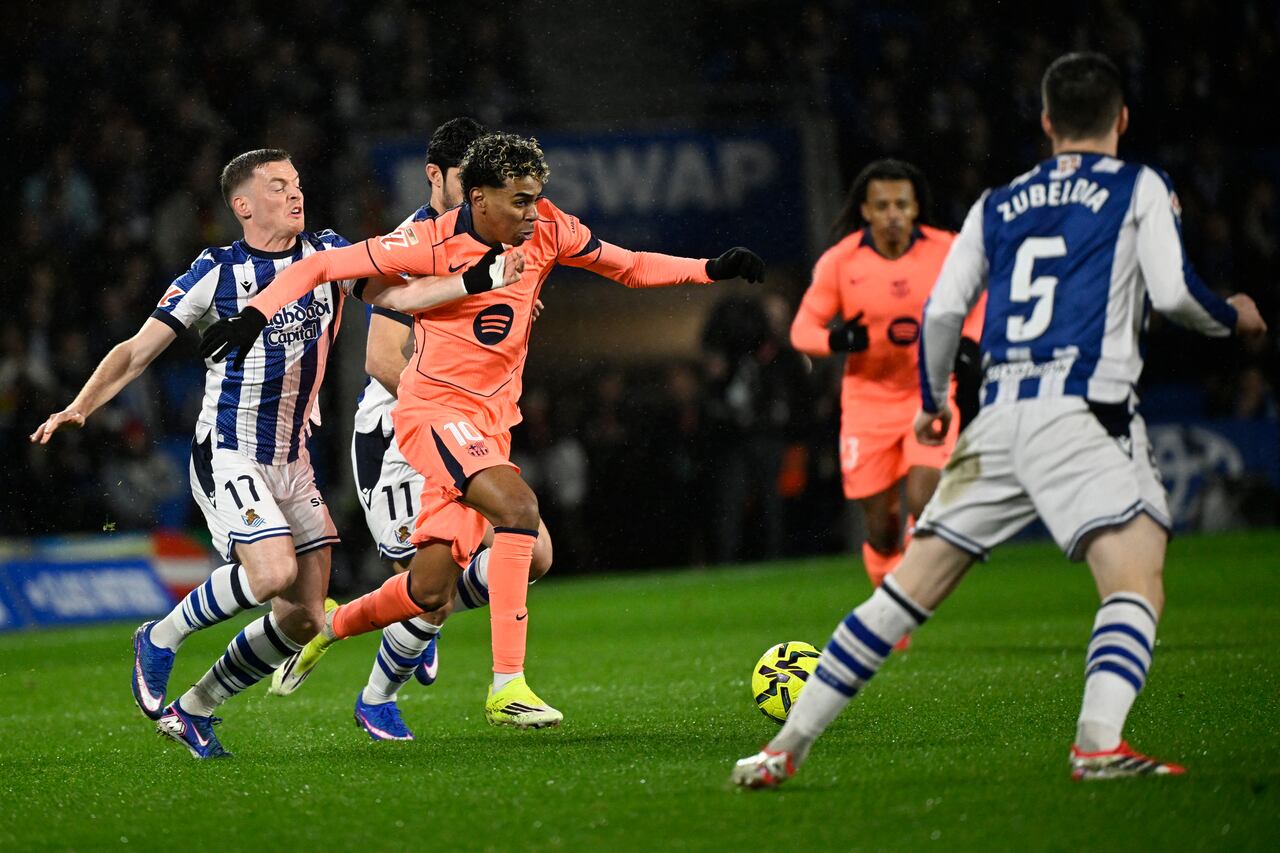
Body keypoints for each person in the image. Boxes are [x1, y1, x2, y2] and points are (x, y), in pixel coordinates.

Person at [732, 52, 1267, 787]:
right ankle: (1097, 744)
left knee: (903, 595)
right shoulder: (1138, 185)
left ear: (1046, 122)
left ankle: (781, 749)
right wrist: (1232, 315)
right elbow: (1174, 295)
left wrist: (934, 402)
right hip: (1084, 411)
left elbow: (942, 313)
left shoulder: (999, 202)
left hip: (999, 419)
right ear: (1121, 119)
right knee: (1135, 581)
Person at [202, 132, 765, 729]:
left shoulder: (548, 229)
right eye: (519, 201)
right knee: (520, 510)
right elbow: (320, 265)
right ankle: (507, 685)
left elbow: (629, 266)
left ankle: (332, 630)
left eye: (536, 198)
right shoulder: (427, 241)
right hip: (431, 412)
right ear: (479, 199)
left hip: (493, 424)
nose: (533, 213)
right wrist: (254, 315)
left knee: (428, 591)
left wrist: (709, 270)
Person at [30, 148, 520, 759]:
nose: (295, 194)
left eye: (297, 183)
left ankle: (194, 709)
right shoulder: (215, 271)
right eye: (279, 186)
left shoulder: (326, 254)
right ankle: (159, 636)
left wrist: (477, 282)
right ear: (242, 205)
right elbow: (136, 349)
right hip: (230, 450)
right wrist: (80, 405)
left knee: (304, 617)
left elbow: (399, 298)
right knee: (271, 574)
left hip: (294, 459)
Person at [270, 118, 556, 744]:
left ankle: (353, 623)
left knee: (531, 554)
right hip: (399, 438)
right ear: (437, 176)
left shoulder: (498, 240)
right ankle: (379, 699)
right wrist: (455, 417)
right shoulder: (413, 242)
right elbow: (381, 360)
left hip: (463, 429)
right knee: (436, 592)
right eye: (468, 178)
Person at [789, 160, 984, 648]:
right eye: (882, 205)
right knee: (880, 527)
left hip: (929, 393)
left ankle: (912, 589)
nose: (893, 214)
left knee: (924, 497)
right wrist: (837, 341)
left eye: (902, 204)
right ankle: (889, 610)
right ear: (865, 211)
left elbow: (980, 299)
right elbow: (803, 330)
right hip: (867, 403)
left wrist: (969, 342)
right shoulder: (841, 262)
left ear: (916, 208)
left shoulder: (947, 249)